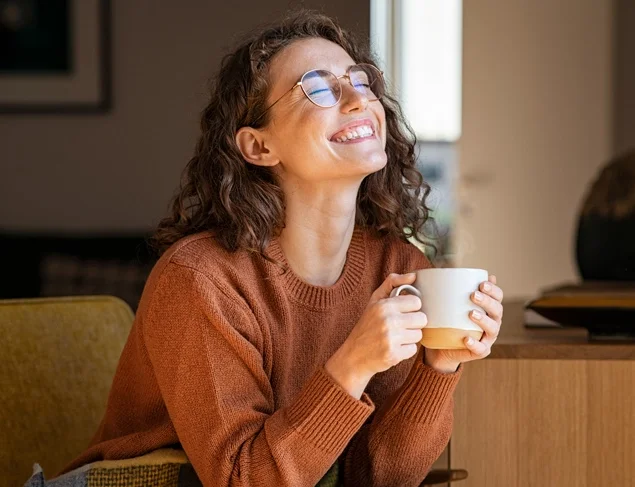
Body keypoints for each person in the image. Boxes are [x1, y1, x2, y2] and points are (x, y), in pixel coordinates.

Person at [62, 10, 504, 487]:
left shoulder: (397, 267)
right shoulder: (200, 280)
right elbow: (240, 481)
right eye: (317, 87)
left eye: (361, 80)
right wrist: (351, 364)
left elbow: (376, 477)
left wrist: (440, 365)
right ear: (258, 146)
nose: (358, 99)